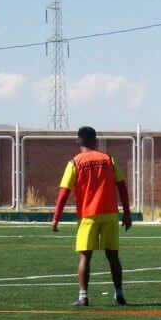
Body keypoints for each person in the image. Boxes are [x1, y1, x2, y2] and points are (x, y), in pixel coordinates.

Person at [51, 126, 132, 307]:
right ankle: (119, 294)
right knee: (113, 256)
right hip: (110, 213)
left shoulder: (74, 162)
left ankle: (83, 296)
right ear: (96, 141)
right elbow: (122, 187)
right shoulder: (108, 160)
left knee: (85, 256)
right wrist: (127, 213)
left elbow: (64, 193)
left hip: (88, 215)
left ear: (78, 142)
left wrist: (56, 217)